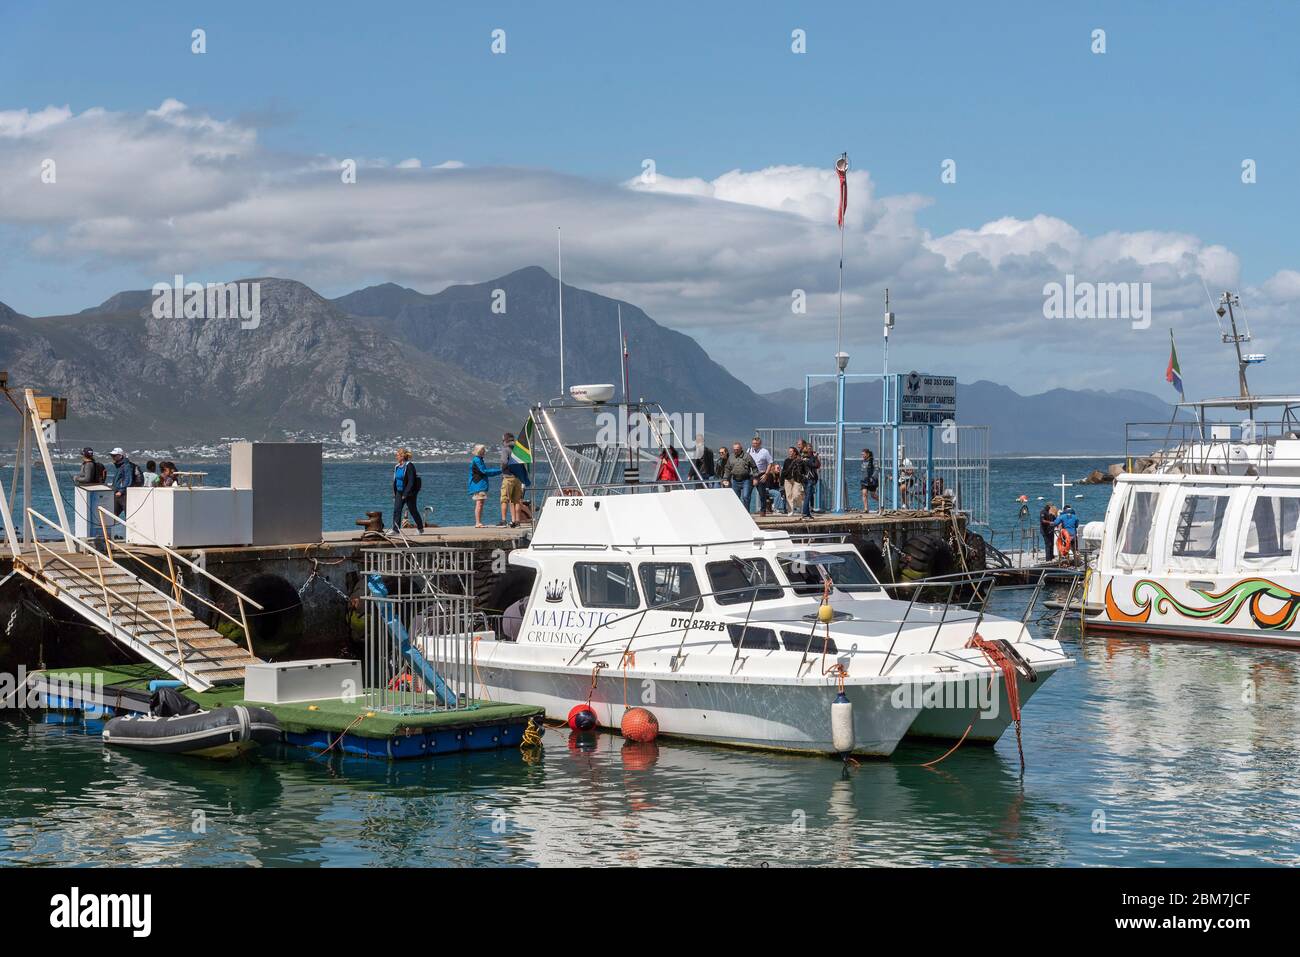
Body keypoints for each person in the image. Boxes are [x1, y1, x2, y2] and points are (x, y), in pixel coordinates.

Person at [499, 432, 529, 527]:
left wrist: (502, 469)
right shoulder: (518, 450)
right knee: (516, 501)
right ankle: (517, 521)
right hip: (518, 478)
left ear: (505, 440)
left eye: (503, 440)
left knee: (504, 499)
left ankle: (503, 521)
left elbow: (504, 461)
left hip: (508, 477)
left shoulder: (505, 450)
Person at [467, 444, 501, 528]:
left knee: (480, 503)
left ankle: (478, 522)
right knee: (479, 503)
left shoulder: (479, 459)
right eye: (483, 450)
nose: (485, 451)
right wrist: (500, 471)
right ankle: (478, 522)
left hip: (479, 484)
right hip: (478, 484)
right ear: (479, 451)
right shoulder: (477, 460)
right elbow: (484, 471)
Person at [392, 447, 424, 533]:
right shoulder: (397, 467)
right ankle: (395, 530)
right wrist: (394, 493)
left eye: (398, 455)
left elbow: (411, 481)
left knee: (412, 510)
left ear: (402, 456)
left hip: (409, 493)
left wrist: (406, 493)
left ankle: (420, 528)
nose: (396, 457)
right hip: (399, 491)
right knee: (397, 510)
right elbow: (395, 480)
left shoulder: (409, 466)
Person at [721, 441, 756, 508]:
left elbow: (754, 467)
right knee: (736, 498)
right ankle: (737, 514)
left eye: (737, 449)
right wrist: (725, 479)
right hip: (735, 480)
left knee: (746, 497)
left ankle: (746, 513)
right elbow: (727, 469)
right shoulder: (731, 457)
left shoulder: (747, 456)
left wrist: (755, 478)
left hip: (746, 480)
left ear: (741, 449)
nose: (735, 451)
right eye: (734, 449)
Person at [108, 447, 140, 518]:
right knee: (112, 516)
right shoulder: (120, 466)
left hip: (123, 495)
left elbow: (128, 479)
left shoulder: (126, 465)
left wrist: (121, 491)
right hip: (118, 494)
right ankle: (105, 528)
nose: (112, 457)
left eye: (114, 455)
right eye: (112, 455)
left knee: (128, 517)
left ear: (120, 456)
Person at [799, 441, 820, 518]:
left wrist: (815, 458)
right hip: (808, 479)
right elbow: (814, 465)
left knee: (808, 495)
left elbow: (817, 465)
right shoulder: (806, 458)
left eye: (811, 448)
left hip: (806, 479)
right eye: (808, 448)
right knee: (807, 496)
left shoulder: (805, 457)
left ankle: (807, 513)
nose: (810, 449)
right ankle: (805, 513)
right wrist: (815, 457)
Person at [781, 446, 804, 515]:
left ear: (795, 452)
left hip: (796, 479)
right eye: (789, 451)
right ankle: (790, 510)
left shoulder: (799, 460)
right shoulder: (786, 460)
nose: (789, 453)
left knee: (796, 494)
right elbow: (783, 471)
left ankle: (801, 505)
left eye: (791, 451)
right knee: (788, 495)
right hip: (787, 479)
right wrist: (781, 481)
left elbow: (802, 470)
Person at [860, 449, 878, 513]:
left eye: (863, 454)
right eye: (862, 454)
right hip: (864, 480)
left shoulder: (873, 461)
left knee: (873, 495)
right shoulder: (863, 461)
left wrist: (872, 477)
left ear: (867, 454)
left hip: (871, 481)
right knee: (864, 493)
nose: (862, 455)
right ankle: (866, 509)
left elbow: (876, 470)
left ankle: (881, 503)